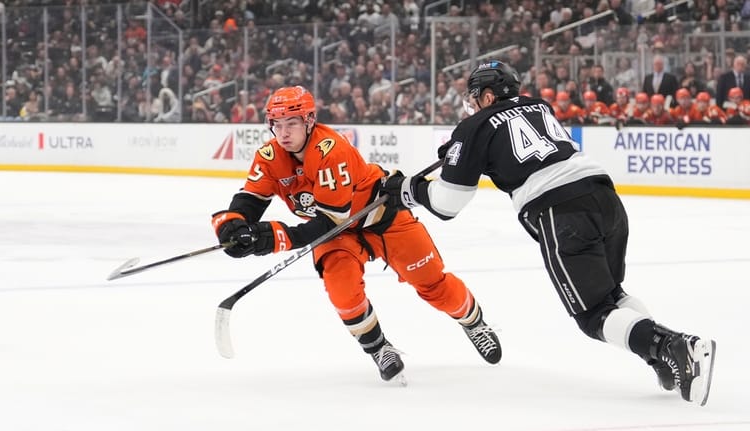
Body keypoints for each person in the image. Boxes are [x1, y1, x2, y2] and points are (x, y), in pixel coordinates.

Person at [380, 61, 716, 405]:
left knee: (592, 315)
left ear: (489, 95)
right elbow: (511, 143)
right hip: (605, 196)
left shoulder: (475, 125)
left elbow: (448, 203)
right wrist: (462, 153)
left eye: (476, 97)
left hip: (562, 210)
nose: (472, 103)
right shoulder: (539, 105)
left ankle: (673, 346)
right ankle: (657, 357)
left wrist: (408, 188)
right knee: (613, 295)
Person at [211, 86, 501, 384]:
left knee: (433, 284)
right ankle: (379, 349)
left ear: (310, 120)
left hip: (380, 218)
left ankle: (474, 322)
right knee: (343, 292)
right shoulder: (269, 155)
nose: (283, 133)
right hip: (339, 236)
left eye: (292, 123)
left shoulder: (331, 149)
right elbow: (251, 199)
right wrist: (233, 223)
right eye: (277, 124)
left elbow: (328, 221)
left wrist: (273, 238)